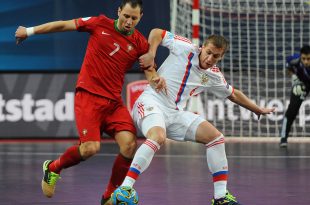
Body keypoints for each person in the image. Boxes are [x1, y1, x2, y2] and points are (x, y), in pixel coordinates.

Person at [14, 1, 165, 205]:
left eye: (134, 18)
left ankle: (109, 196)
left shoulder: (139, 43)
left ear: (140, 18)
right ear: (119, 12)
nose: (129, 21)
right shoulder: (99, 23)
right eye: (126, 16)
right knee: (90, 149)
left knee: (129, 145)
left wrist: (156, 78)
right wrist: (29, 31)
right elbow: (62, 25)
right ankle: (53, 168)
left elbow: (149, 71)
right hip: (89, 96)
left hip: (113, 103)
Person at [112, 29, 276, 205]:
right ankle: (125, 188)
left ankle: (220, 197)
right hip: (151, 102)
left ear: (221, 57)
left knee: (216, 138)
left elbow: (233, 94)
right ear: (202, 47)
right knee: (158, 136)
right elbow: (156, 33)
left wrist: (257, 109)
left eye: (216, 56)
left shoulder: (214, 75)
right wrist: (151, 54)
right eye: (208, 53)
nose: (209, 59)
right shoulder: (185, 47)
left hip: (175, 114)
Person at [279, 45, 310, 147]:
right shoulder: (294, 60)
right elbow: (288, 66)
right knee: (292, 111)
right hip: (301, 85)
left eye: (309, 59)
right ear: (300, 57)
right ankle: (283, 138)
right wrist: (294, 78)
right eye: (304, 59)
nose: (306, 61)